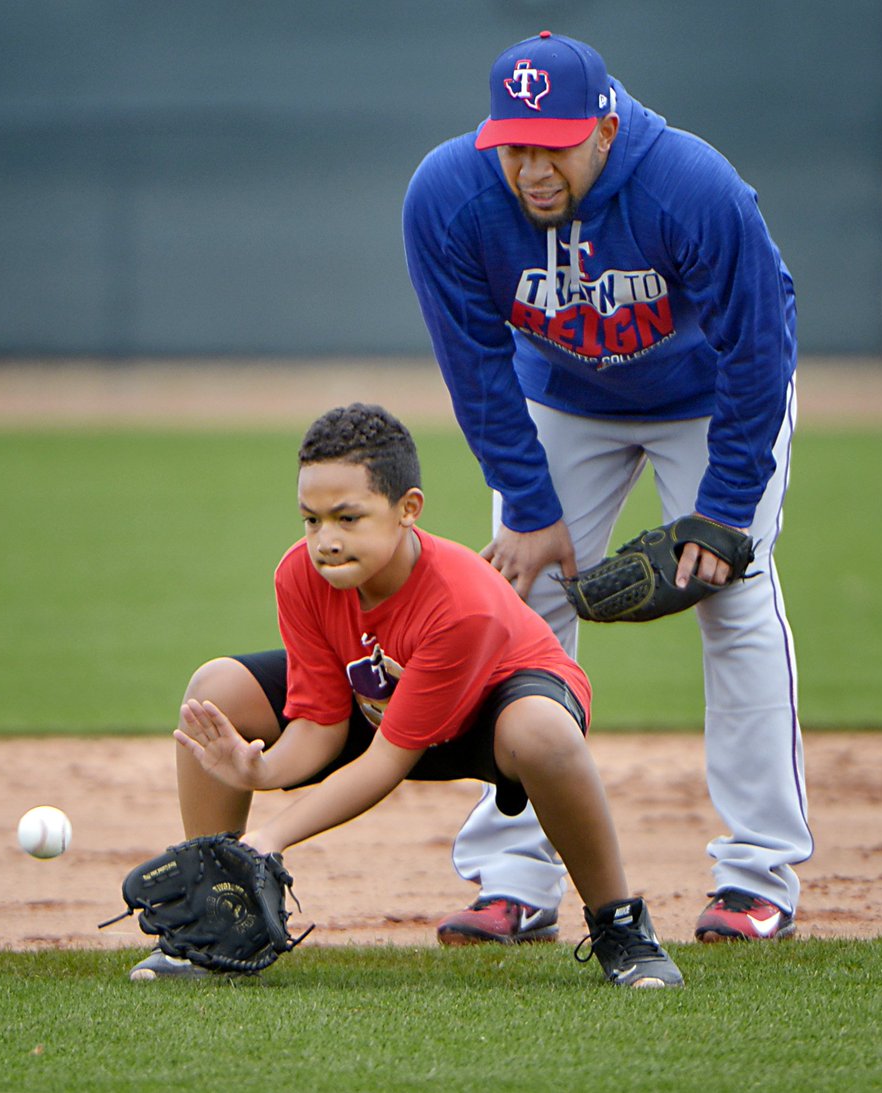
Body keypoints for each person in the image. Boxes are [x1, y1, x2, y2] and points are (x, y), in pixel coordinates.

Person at [402, 30, 811, 946]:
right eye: (512, 142)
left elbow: (759, 350)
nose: (531, 167)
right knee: (519, 598)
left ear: (605, 127)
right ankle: (514, 875)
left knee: (733, 595)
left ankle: (758, 874)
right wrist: (532, 509)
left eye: (553, 142)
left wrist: (727, 509)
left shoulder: (691, 187)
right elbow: (475, 367)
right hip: (564, 396)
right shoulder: (450, 197)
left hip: (709, 398)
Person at [129, 403, 682, 988]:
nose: (326, 540)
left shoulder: (460, 601)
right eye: (311, 520)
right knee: (217, 687)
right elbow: (319, 724)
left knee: (541, 733)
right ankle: (208, 922)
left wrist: (268, 839)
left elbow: (388, 762)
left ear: (407, 510)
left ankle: (620, 926)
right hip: (384, 701)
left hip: (494, 710)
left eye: (348, 518)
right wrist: (259, 771)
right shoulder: (300, 575)